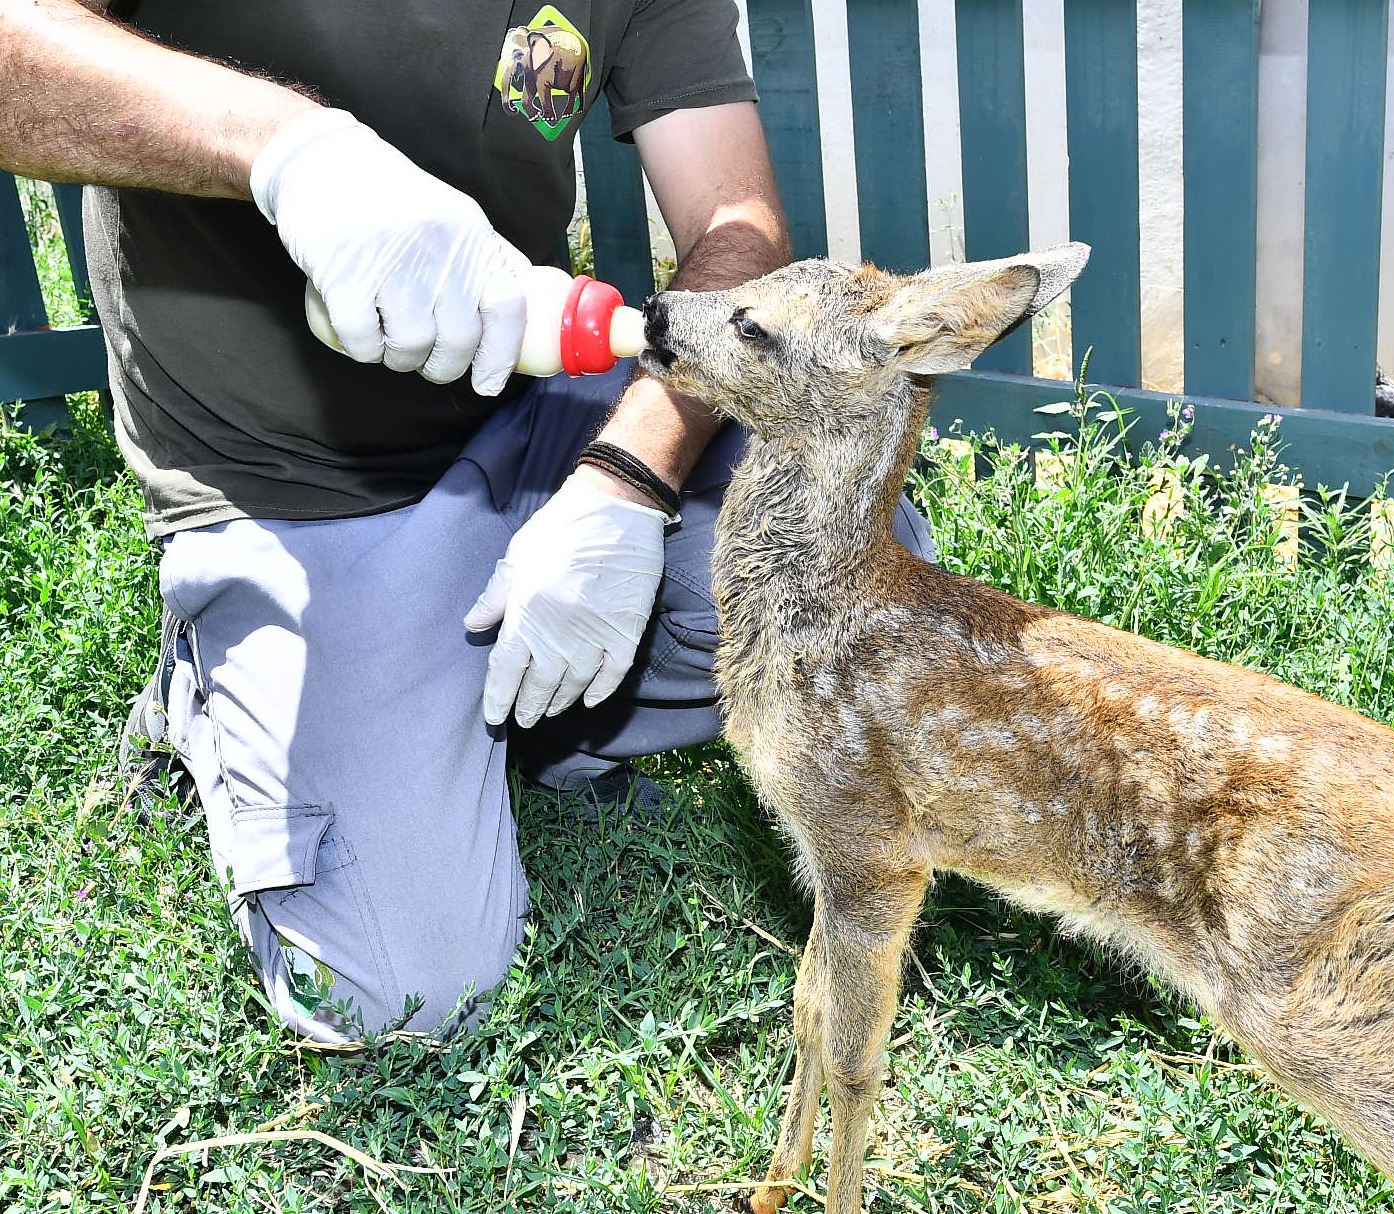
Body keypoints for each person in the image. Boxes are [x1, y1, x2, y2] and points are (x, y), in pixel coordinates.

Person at [0, 0, 934, 1043]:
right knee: (406, 993)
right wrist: (284, 151)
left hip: (525, 408)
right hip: (290, 489)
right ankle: (212, 691)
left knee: (855, 579)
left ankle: (536, 711)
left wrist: (625, 477)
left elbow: (737, 227)